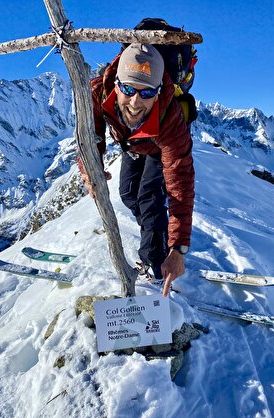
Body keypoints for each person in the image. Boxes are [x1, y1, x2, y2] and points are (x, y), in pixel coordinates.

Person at [83, 43, 195, 297]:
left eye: (146, 93)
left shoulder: (171, 117)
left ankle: (156, 265)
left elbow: (181, 185)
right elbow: (89, 136)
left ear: (158, 93)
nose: (135, 101)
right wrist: (91, 170)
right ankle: (156, 235)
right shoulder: (97, 93)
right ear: (116, 84)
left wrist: (178, 249)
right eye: (128, 89)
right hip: (133, 144)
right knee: (128, 194)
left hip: (158, 145)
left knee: (150, 198)